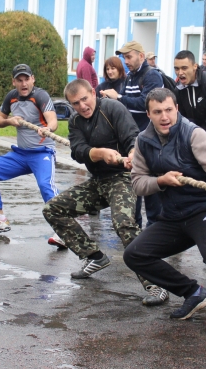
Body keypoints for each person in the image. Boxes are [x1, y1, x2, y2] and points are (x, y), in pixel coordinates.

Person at [123, 88, 206, 352]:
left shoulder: (193, 133)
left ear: (176, 108)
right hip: (173, 216)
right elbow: (138, 183)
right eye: (157, 112)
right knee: (135, 255)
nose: (164, 117)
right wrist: (161, 181)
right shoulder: (143, 141)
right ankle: (192, 292)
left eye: (169, 110)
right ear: (149, 114)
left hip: (204, 208)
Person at [42, 79, 169, 304]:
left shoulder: (112, 108)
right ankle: (94, 256)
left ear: (93, 93)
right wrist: (99, 153)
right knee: (53, 209)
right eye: (75, 103)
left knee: (124, 224)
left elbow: (133, 137)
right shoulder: (75, 121)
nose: (82, 106)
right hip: (98, 181)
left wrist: (131, 154)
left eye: (84, 99)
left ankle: (155, 282)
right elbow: (78, 151)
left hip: (123, 178)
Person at [0, 64, 59, 234]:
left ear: (33, 79)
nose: (24, 84)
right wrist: (9, 121)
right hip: (21, 154)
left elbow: (53, 121)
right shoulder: (11, 97)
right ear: (14, 82)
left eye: (27, 79)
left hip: (42, 153)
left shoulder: (41, 96)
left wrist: (48, 129)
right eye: (19, 80)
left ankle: (64, 228)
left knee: (45, 185)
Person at [99, 41, 163, 227]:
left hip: (150, 140)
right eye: (124, 57)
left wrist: (117, 97)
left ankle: (155, 231)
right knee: (133, 184)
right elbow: (125, 107)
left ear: (141, 56)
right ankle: (133, 229)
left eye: (129, 57)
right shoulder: (130, 78)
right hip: (132, 140)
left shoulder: (152, 76)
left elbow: (146, 103)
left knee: (151, 189)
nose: (126, 61)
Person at [173, 49, 206, 130]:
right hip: (194, 138)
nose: (180, 73)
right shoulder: (178, 90)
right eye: (177, 69)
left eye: (184, 68)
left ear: (195, 66)